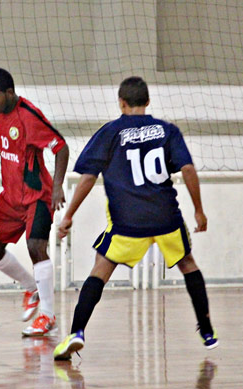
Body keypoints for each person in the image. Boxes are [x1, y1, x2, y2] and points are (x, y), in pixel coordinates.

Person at [53, 76, 218, 360]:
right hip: (166, 216)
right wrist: (199, 210)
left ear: (121, 102)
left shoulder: (111, 132)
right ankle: (206, 330)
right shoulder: (167, 130)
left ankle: (76, 332)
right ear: (148, 101)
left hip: (128, 221)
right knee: (188, 264)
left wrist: (68, 216)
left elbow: (88, 177)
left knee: (100, 270)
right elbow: (188, 170)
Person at [0, 68, 69, 336]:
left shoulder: (30, 116)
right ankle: (31, 287)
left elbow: (61, 147)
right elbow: (6, 135)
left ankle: (48, 317)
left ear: (9, 92)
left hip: (37, 196)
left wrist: (57, 186)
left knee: (36, 247)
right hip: (10, 196)